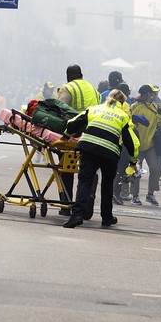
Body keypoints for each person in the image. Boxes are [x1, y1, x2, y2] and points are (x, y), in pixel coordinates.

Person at [62, 89, 139, 228]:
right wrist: (133, 161)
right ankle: (107, 217)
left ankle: (77, 215)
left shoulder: (94, 109)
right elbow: (131, 142)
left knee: (85, 181)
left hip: (89, 148)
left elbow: (74, 123)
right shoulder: (123, 116)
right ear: (122, 102)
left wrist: (66, 135)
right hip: (110, 152)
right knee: (107, 184)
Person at [57, 64, 102, 215]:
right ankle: (87, 203)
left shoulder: (68, 88)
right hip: (93, 135)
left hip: (74, 136)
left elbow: (61, 109)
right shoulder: (95, 91)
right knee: (88, 171)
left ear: (68, 76)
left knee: (66, 169)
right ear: (81, 74)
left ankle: (66, 205)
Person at [130, 84, 161, 206]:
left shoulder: (155, 107)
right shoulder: (135, 107)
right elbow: (130, 124)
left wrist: (160, 113)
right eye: (151, 93)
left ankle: (150, 194)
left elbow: (160, 123)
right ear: (146, 95)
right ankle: (134, 195)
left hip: (150, 145)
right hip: (137, 146)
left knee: (155, 168)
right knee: (137, 171)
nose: (153, 96)